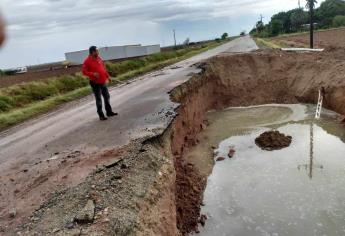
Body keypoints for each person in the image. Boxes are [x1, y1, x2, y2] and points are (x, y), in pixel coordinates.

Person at [82, 46, 118, 120]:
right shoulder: (87, 61)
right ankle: (101, 115)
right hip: (95, 83)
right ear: (93, 52)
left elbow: (103, 69)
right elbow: (84, 72)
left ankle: (109, 112)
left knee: (107, 96)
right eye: (97, 51)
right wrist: (93, 74)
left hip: (103, 81)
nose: (98, 52)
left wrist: (108, 77)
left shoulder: (99, 58)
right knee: (99, 99)